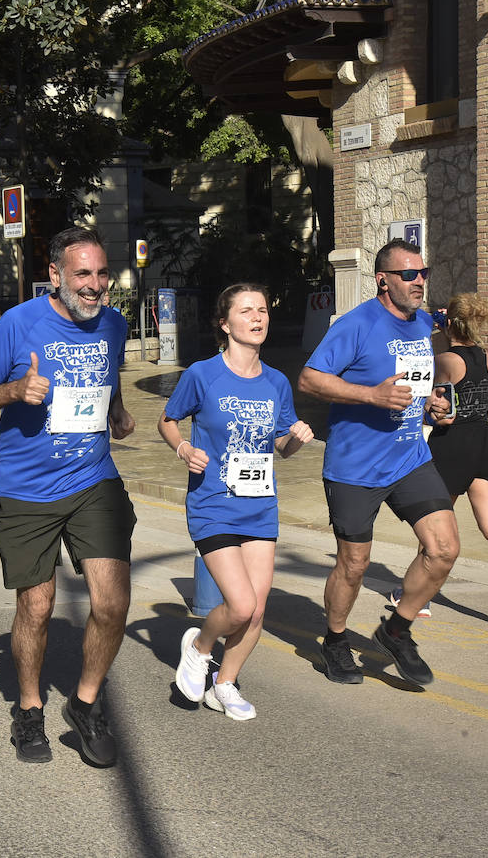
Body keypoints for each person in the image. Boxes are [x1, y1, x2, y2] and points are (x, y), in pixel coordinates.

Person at [0, 226, 135, 768]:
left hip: (92, 479)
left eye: (103, 274)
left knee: (111, 601)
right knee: (38, 606)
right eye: (83, 274)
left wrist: (116, 412)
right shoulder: (17, 325)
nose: (96, 286)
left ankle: (84, 703)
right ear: (55, 276)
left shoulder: (115, 326)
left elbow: (107, 376)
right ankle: (30, 708)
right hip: (27, 489)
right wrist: (13, 392)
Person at [297, 238, 457, 687]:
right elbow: (309, 378)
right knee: (354, 563)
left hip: (409, 455)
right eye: (409, 274)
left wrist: (433, 406)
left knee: (444, 549)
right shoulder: (357, 324)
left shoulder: (423, 324)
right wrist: (371, 395)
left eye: (423, 272)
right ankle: (334, 641)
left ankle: (396, 629)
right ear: (383, 280)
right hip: (355, 465)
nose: (419, 281)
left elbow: (417, 383)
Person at [159, 283, 314, 721]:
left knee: (258, 609)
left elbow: (281, 445)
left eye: (262, 310)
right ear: (225, 324)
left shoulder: (276, 381)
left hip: (260, 504)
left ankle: (224, 683)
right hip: (213, 502)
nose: (258, 317)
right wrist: (183, 450)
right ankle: (199, 647)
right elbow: (168, 420)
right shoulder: (202, 375)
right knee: (240, 604)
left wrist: (296, 438)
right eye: (246, 311)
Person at [406, 293, 488, 634]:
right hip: (485, 442)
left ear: (449, 322)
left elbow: (442, 410)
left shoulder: (445, 360)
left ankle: (420, 597)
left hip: (452, 446)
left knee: (434, 525)